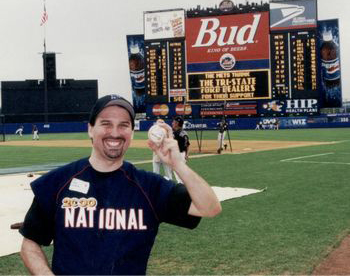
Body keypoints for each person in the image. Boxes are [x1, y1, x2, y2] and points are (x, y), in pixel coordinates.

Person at [19, 94, 221, 275]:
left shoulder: (149, 187)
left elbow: (210, 207)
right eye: (106, 123)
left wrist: (178, 164)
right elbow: (30, 243)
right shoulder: (58, 182)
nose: (114, 133)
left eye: (123, 125)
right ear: (90, 129)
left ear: (132, 133)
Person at [172, 116, 190, 184]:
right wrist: (187, 154)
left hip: (178, 155)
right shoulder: (184, 132)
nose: (172, 123)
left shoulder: (176, 134)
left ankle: (183, 188)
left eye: (174, 122)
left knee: (178, 174)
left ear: (177, 123)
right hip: (183, 154)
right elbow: (188, 145)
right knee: (182, 172)